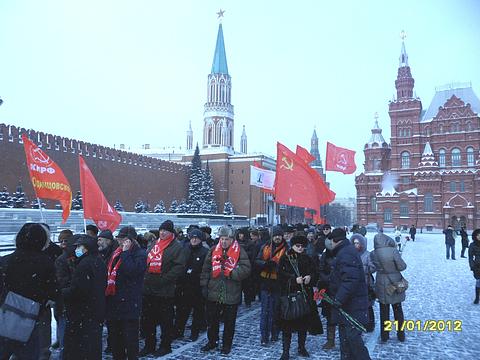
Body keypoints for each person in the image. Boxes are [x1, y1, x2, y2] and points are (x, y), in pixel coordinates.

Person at [0, 223, 58, 360]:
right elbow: (53, 292)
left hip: (4, 317)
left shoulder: (5, 260)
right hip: (30, 321)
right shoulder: (46, 263)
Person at [200, 226, 251, 355]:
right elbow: (206, 269)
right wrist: (204, 285)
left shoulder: (240, 251)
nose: (223, 242)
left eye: (226, 239)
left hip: (231, 292)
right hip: (214, 291)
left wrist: (232, 272)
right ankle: (212, 341)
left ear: (232, 240)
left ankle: (226, 344)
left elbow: (246, 269)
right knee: (212, 320)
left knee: (229, 322)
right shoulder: (213, 250)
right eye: (222, 239)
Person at [141, 220, 186, 357]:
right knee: (148, 321)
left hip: (165, 291)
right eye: (161, 230)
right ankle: (150, 345)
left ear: (171, 232)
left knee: (166, 321)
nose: (162, 232)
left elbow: (179, 267)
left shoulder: (176, 247)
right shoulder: (155, 244)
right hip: (149, 289)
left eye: (165, 230)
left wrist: (165, 279)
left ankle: (165, 346)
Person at [326, 228, 371, 360]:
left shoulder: (345, 253)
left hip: (352, 305)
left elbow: (350, 280)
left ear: (334, 241)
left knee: (353, 341)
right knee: (346, 341)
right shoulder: (345, 251)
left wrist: (338, 299)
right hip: (349, 305)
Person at [63, 234, 107, 360]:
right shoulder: (99, 261)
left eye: (79, 246)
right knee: (93, 347)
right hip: (96, 310)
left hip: (83, 313)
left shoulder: (84, 265)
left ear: (86, 248)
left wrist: (62, 293)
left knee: (79, 348)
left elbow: (78, 290)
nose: (76, 249)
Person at [106, 226, 147, 360]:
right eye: (119, 239)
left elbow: (132, 271)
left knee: (130, 339)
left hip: (130, 302)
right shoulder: (116, 252)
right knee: (116, 338)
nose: (120, 242)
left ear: (131, 240)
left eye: (123, 239)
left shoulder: (140, 253)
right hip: (114, 300)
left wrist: (126, 253)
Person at [278, 235, 317, 360]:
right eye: (297, 246)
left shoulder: (307, 258)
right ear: (293, 246)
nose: (300, 248)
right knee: (287, 325)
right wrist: (294, 280)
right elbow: (280, 275)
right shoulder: (285, 258)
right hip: (289, 295)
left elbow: (315, 272)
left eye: (302, 246)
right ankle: (285, 351)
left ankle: (301, 347)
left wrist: (310, 277)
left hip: (305, 294)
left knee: (303, 324)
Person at [371, 232, 407, 343]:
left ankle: (384, 336)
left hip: (381, 282)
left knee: (384, 311)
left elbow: (373, 268)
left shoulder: (373, 253)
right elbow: (402, 266)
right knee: (398, 310)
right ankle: (400, 335)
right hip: (394, 282)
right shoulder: (393, 251)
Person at [173, 229, 209, 341]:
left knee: (197, 311)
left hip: (197, 286)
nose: (194, 240)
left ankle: (195, 332)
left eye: (196, 238)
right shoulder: (184, 249)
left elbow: (205, 269)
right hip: (184, 285)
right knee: (182, 311)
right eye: (192, 237)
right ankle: (178, 332)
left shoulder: (204, 252)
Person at [255, 225, 287, 345]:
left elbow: (289, 265)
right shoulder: (265, 246)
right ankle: (264, 336)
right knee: (265, 311)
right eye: (275, 235)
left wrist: (277, 267)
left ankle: (275, 333)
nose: (277, 238)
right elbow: (257, 260)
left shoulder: (287, 248)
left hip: (278, 283)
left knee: (276, 310)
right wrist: (265, 264)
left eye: (279, 235)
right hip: (265, 282)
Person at [53, 229, 76, 360]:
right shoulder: (62, 258)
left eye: (65, 240)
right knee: (64, 333)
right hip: (64, 301)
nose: (63, 243)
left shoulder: (67, 258)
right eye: (61, 240)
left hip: (65, 302)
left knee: (66, 336)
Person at [351, 233, 376, 332]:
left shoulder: (367, 254)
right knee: (357, 305)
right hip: (354, 283)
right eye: (354, 243)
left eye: (358, 243)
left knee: (368, 305)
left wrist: (363, 269)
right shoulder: (351, 254)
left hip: (366, 283)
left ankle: (370, 324)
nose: (356, 245)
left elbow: (373, 268)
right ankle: (358, 323)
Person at [317, 238, 337, 350]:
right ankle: (330, 340)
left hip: (339, 288)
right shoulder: (325, 255)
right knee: (330, 316)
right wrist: (327, 279)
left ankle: (347, 339)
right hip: (328, 288)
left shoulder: (341, 253)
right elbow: (320, 269)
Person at [468, 229, 480, 304]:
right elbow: (470, 256)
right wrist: (472, 266)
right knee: (478, 281)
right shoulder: (472, 245)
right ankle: (477, 297)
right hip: (477, 266)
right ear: (475, 236)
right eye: (478, 235)